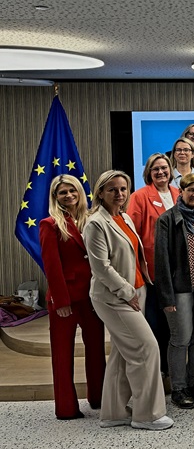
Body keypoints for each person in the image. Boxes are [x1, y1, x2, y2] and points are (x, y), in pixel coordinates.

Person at [83, 170, 172, 430]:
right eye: (112, 189)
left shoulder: (123, 217)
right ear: (100, 192)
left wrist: (140, 288)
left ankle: (114, 413)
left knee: (123, 354)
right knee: (147, 348)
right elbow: (101, 267)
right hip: (114, 297)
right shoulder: (95, 223)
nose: (119, 194)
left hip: (137, 291)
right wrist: (128, 292)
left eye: (123, 189)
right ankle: (148, 415)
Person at [39, 175, 105, 420]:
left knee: (97, 350)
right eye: (62, 192)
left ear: (79, 192)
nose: (68, 196)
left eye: (71, 191)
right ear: (55, 197)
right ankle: (66, 408)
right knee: (62, 355)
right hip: (65, 299)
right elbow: (51, 266)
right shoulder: (50, 224)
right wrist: (61, 302)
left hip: (92, 296)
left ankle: (98, 398)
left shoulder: (92, 220)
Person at [154, 173, 194, 409]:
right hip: (179, 289)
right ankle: (179, 388)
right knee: (181, 338)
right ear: (181, 191)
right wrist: (166, 296)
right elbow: (161, 261)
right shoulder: (167, 220)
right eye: (191, 190)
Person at [128, 153, 180, 370]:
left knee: (174, 321)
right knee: (155, 321)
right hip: (153, 268)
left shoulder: (179, 193)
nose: (160, 172)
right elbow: (132, 235)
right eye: (155, 169)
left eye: (164, 168)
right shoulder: (139, 197)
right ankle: (155, 368)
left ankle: (170, 366)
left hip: (178, 268)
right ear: (148, 173)